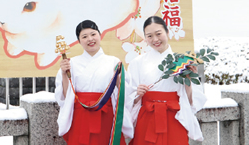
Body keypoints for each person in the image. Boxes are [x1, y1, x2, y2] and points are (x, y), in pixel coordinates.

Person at [128, 16, 206, 144]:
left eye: (158, 34)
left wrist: (188, 82)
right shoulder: (137, 63)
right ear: (145, 38)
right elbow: (129, 96)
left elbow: (192, 101)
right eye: (149, 36)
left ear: (167, 32)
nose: (155, 39)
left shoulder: (181, 62)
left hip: (174, 117)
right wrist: (137, 94)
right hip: (147, 117)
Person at [55, 20, 134, 144]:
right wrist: (64, 73)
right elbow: (66, 96)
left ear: (100, 35)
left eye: (93, 34)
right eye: (84, 36)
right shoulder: (72, 63)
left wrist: (119, 81)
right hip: (80, 116)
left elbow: (124, 93)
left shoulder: (113, 62)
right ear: (79, 41)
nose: (90, 39)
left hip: (105, 114)